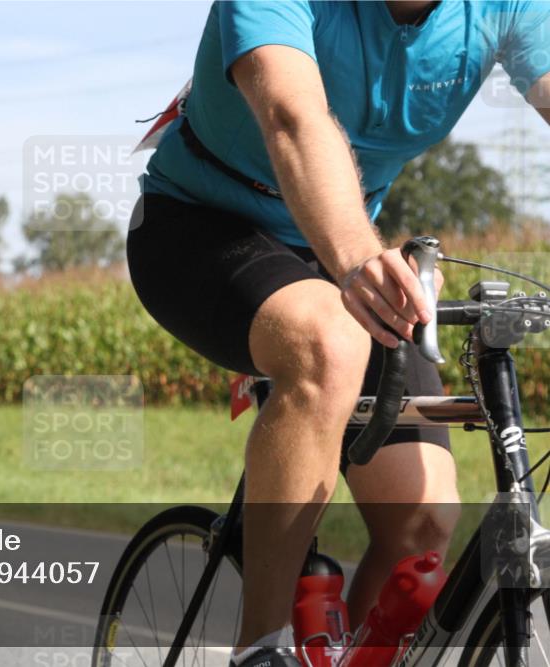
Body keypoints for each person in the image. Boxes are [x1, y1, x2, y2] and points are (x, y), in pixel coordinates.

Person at [127, 1, 550, 665]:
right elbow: (293, 116)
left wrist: (354, 258)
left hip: (334, 236)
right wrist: (357, 256)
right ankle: (260, 647)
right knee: (328, 339)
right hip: (198, 226)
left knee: (424, 522)